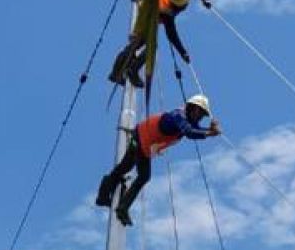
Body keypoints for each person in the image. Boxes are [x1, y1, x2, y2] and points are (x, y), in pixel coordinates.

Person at [95, 96, 222, 227]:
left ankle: (103, 196)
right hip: (141, 140)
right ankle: (121, 208)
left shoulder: (187, 118)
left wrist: (210, 130)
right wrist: (209, 133)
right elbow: (189, 132)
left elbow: (196, 129)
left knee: (124, 168)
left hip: (142, 140)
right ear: (194, 108)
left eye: (203, 115)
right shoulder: (177, 116)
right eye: (201, 113)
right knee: (142, 176)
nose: (201, 117)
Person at [109, 0, 211, 87]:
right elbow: (172, 35)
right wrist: (183, 52)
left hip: (150, 8)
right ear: (176, 5)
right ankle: (131, 70)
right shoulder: (167, 12)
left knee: (136, 45)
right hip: (146, 17)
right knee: (145, 45)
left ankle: (116, 73)